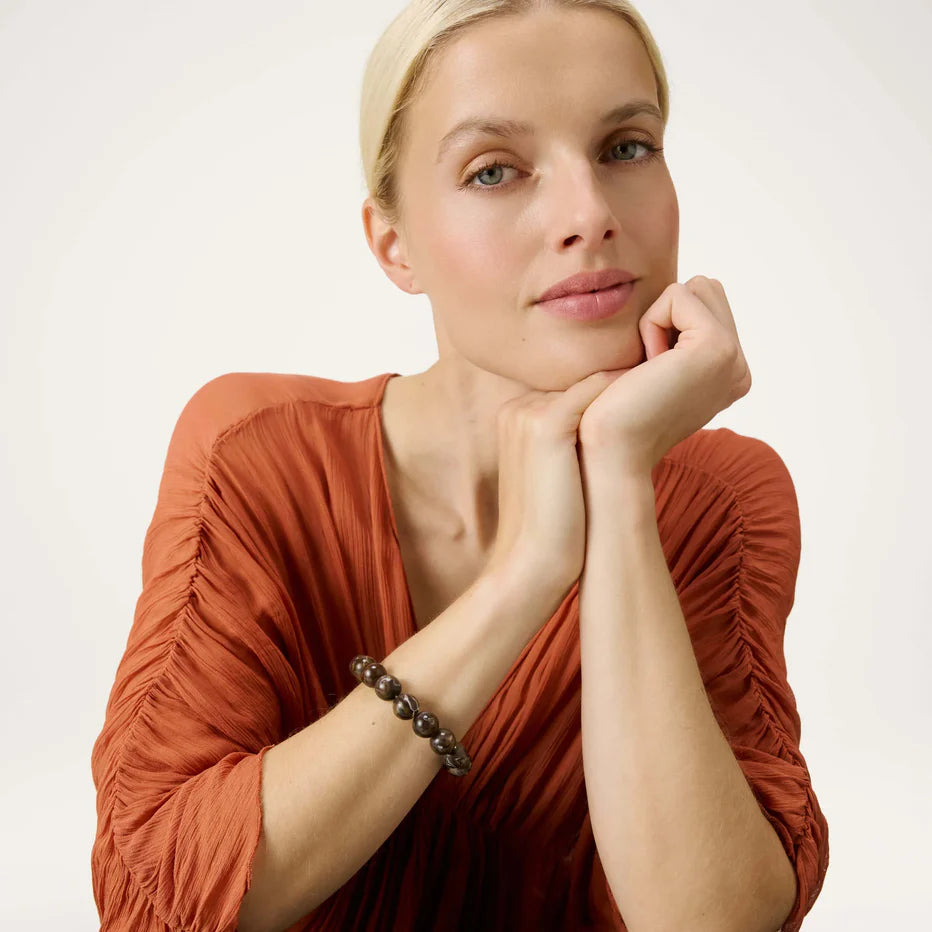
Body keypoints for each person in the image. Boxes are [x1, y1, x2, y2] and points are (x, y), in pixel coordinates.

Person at [90, 1, 830, 930]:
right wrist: (523, 578)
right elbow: (156, 896)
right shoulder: (255, 451)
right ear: (394, 246)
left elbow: (717, 922)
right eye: (494, 170)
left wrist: (619, 478)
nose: (590, 214)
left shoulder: (723, 498)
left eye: (625, 147)